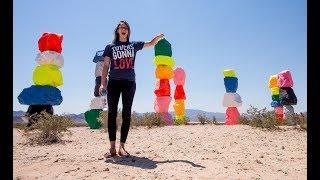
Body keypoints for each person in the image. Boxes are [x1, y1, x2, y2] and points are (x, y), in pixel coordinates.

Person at [99, 20, 164, 158]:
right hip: (114, 83)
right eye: (121, 27)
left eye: (126, 28)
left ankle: (122, 147)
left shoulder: (133, 45)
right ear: (117, 31)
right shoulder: (110, 47)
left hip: (129, 83)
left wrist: (156, 38)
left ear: (128, 31)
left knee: (126, 113)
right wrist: (102, 83)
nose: (123, 29)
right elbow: (105, 66)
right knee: (112, 114)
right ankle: (112, 148)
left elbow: (150, 43)